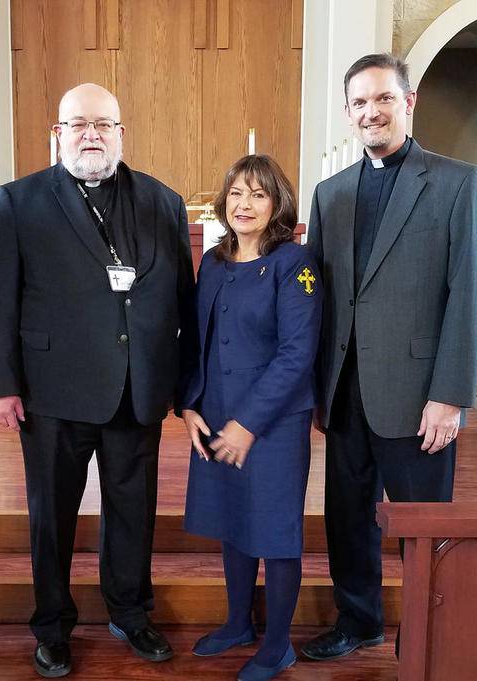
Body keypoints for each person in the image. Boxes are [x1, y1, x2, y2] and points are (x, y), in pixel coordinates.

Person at [0, 82, 195, 678]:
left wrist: (185, 384)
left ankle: (130, 610)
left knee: (134, 511)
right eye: (79, 124)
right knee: (52, 517)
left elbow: (183, 301)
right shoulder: (20, 201)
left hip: (137, 388)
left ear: (121, 133)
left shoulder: (163, 202)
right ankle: (51, 624)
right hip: (52, 391)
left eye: (104, 124)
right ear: (58, 134)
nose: (92, 134)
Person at [301, 53, 477, 662]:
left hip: (418, 395)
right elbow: (318, 292)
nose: (371, 111)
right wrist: (313, 386)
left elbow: (471, 293)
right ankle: (359, 621)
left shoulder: (459, 182)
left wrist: (451, 395)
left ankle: (426, 631)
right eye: (359, 103)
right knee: (347, 519)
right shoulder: (329, 194)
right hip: (343, 390)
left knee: (422, 526)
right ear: (348, 113)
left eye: (383, 99)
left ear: (407, 103)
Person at [180, 155, 322, 681]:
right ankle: (239, 622)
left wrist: (248, 425)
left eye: (259, 194)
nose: (245, 204)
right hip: (216, 411)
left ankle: (279, 644)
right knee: (233, 521)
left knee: (275, 531)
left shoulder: (295, 263)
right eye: (237, 192)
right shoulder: (213, 262)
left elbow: (296, 353)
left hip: (274, 421)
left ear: (277, 203)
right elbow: (196, 340)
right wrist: (189, 403)